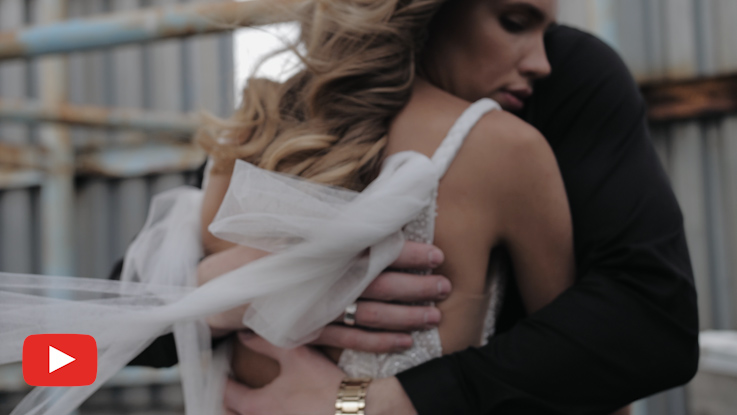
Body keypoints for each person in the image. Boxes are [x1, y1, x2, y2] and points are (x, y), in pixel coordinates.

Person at [215, 6, 699, 415]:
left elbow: (641, 325)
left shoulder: (532, 122)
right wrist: (220, 293)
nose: (541, 61)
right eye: (514, 21)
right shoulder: (268, 125)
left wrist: (365, 404)